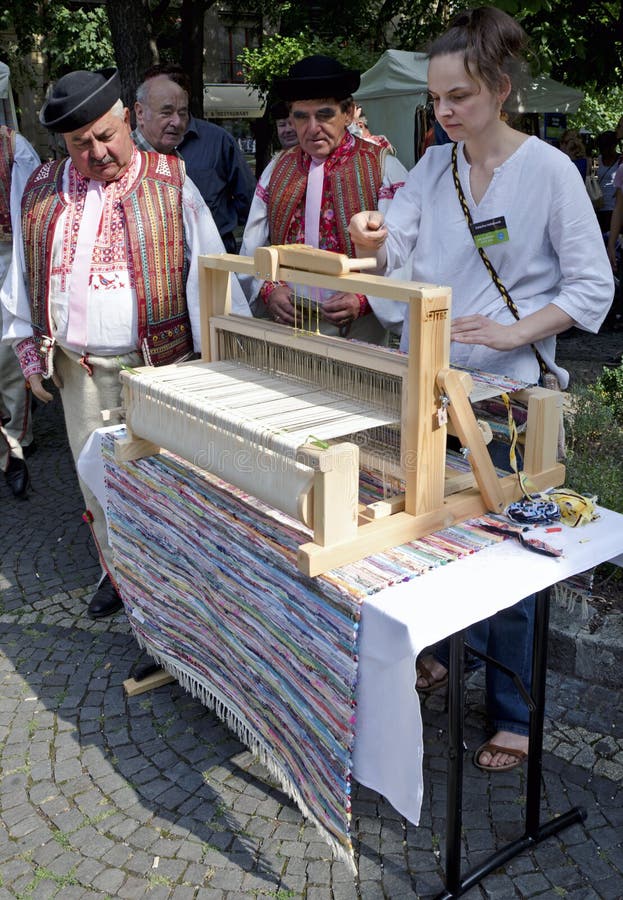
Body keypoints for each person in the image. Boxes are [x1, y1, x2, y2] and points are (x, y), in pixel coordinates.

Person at [349, 7, 613, 772]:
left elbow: (591, 284)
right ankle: (434, 659)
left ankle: (511, 714)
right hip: (427, 382)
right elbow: (396, 245)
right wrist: (372, 234)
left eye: (457, 96)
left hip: (503, 397)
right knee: (426, 534)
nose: (442, 112)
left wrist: (514, 331)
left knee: (510, 554)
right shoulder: (434, 165)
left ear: (499, 89)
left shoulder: (550, 171)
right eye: (435, 99)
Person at [1, 67, 250, 618]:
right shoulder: (41, 190)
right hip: (77, 372)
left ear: (126, 120)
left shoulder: (170, 180)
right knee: (99, 486)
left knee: (165, 489)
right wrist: (31, 355)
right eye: (78, 143)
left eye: (105, 135)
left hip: (160, 370)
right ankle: (119, 576)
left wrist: (219, 366)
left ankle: (175, 600)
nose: (96, 151)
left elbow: (209, 275)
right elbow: (21, 279)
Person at [239, 54, 408, 342]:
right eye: (301, 116)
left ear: (348, 112)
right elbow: (252, 246)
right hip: (289, 324)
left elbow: (406, 253)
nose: (312, 127)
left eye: (325, 115)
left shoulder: (382, 168)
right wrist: (268, 289)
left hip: (360, 331)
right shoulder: (277, 169)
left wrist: (364, 298)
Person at [133, 63, 256, 253]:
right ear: (140, 112)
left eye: (182, 113)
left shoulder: (216, 141)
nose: (176, 121)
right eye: (166, 112)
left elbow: (249, 201)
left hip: (213, 260)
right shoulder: (123, 159)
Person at [0, 124, 40, 498]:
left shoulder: (16, 147)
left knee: (8, 355)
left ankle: (16, 437)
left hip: (7, 256)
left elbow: (30, 210)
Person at [595, 130, 621, 232]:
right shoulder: (596, 161)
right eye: (601, 147)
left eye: (606, 146)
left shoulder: (621, 161)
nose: (603, 150)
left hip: (615, 208)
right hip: (599, 206)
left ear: (613, 146)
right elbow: (593, 179)